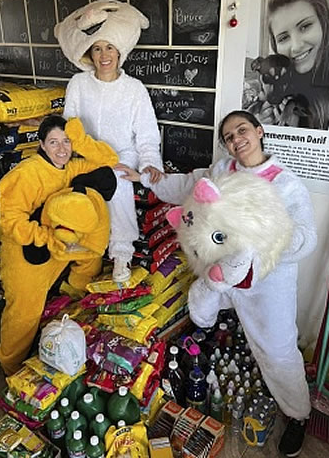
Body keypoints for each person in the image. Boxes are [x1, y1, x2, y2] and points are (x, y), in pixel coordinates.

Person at [117, 110, 317, 457]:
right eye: (229, 136)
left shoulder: (286, 184)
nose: (237, 139)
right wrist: (146, 178)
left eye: (242, 130)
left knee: (278, 349)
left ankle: (298, 414)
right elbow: (187, 187)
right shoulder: (222, 171)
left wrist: (261, 243)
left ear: (259, 131)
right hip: (221, 275)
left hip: (269, 281)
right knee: (205, 312)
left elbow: (306, 237)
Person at [0, 115, 118, 375]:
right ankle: (10, 365)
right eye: (53, 142)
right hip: (25, 253)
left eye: (66, 141)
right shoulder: (27, 173)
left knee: (91, 255)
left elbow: (109, 160)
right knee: (24, 314)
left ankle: (72, 304)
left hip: (57, 246)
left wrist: (82, 141)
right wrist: (48, 238)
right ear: (41, 144)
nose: (62, 149)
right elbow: (11, 222)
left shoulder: (70, 168)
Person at [63, 35, 164, 283]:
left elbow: (147, 134)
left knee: (118, 180)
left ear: (119, 52)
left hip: (122, 154)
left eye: (109, 48)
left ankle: (121, 253)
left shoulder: (134, 88)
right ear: (90, 54)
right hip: (86, 153)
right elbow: (69, 124)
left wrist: (149, 165)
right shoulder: (78, 83)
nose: (104, 55)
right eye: (97, 49)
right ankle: (74, 247)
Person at [255, 0, 329, 129]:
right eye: (283, 38)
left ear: (325, 23)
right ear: (275, 45)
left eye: (305, 26)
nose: (296, 47)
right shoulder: (278, 81)